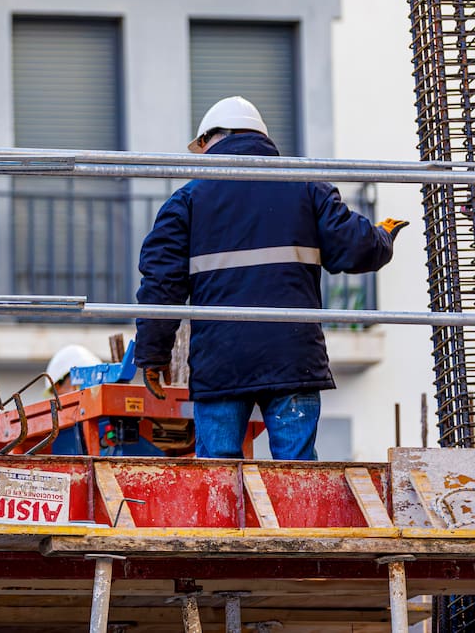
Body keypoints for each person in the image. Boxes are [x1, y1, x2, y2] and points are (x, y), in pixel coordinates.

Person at [134, 96, 406, 461]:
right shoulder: (307, 187)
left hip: (222, 361)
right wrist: (382, 236)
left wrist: (153, 353)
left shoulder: (187, 201)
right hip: (292, 355)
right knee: (296, 480)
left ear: (210, 140)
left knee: (218, 480)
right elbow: (356, 249)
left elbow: (160, 285)